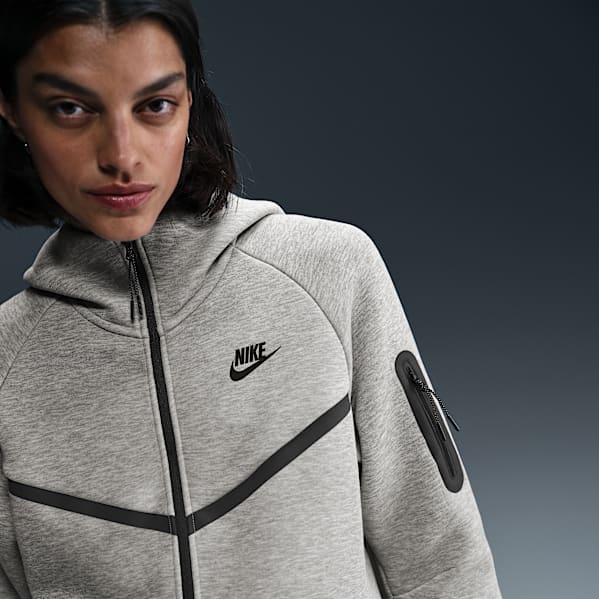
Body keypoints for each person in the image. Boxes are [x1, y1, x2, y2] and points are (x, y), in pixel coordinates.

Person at [0, 1, 503, 598]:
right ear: (12, 110)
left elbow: (441, 557)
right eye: (71, 108)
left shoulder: (327, 273)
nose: (122, 155)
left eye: (155, 105)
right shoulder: (7, 361)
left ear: (191, 100)